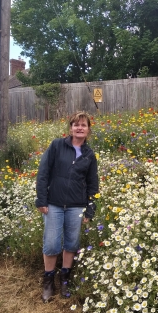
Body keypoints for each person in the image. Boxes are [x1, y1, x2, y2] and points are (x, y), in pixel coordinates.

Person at [35, 111, 99, 302]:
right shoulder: (57, 145)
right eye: (76, 124)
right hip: (53, 203)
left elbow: (92, 184)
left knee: (71, 243)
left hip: (76, 206)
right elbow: (43, 173)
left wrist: (90, 208)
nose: (79, 128)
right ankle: (48, 281)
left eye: (83, 125)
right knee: (52, 243)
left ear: (88, 130)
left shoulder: (89, 155)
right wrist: (42, 199)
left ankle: (64, 278)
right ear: (70, 128)